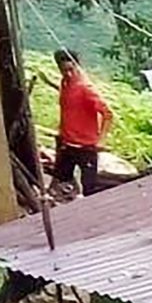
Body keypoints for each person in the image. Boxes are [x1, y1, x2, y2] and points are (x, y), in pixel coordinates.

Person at [50, 47, 110, 197]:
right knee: (61, 180)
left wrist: (101, 140)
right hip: (67, 144)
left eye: (72, 69)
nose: (69, 73)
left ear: (78, 65)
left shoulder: (85, 88)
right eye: (64, 70)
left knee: (90, 187)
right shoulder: (65, 83)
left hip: (86, 147)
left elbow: (107, 113)